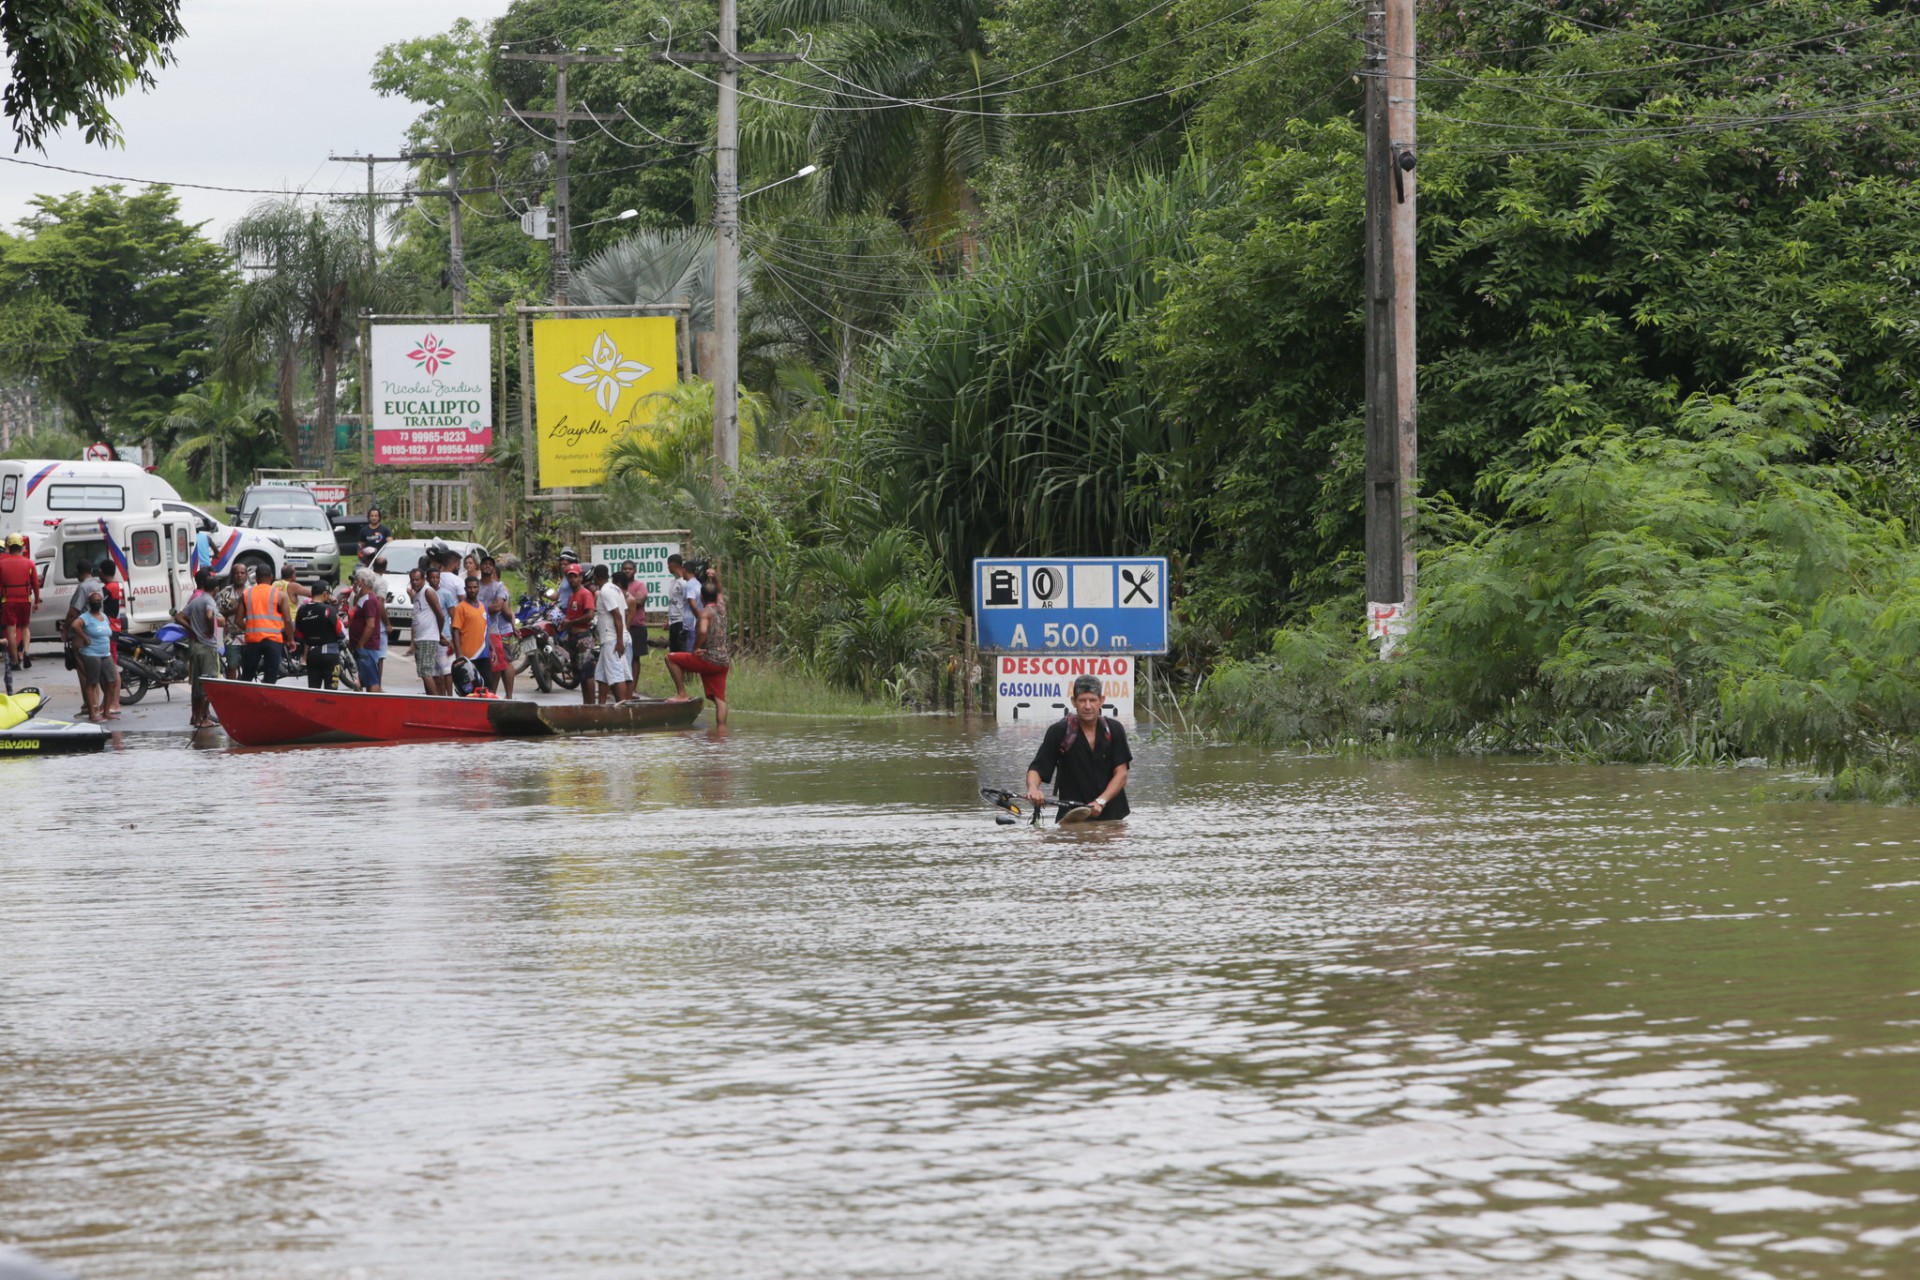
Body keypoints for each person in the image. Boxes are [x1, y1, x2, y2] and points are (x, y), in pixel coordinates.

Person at [1024, 674, 1132, 822]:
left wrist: (1100, 801)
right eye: (1082, 700)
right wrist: (1033, 789)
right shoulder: (1059, 732)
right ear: (1073, 701)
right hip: (1071, 818)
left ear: (1102, 701)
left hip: (1112, 818)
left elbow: (1121, 774)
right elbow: (1037, 769)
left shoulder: (1114, 730)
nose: (1087, 706)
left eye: (1093, 700)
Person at [667, 576, 731, 725]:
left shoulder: (705, 613)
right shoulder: (722, 608)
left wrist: (696, 647)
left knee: (670, 658)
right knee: (720, 700)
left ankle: (681, 694)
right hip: (723, 661)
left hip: (708, 659)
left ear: (701, 597)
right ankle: (721, 731)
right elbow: (721, 592)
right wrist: (715, 578)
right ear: (715, 596)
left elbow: (702, 631)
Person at [175, 568, 222, 728]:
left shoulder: (195, 600)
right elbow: (209, 615)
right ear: (215, 589)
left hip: (195, 647)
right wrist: (209, 630)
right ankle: (203, 718)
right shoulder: (209, 600)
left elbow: (178, 616)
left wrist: (191, 629)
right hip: (207, 647)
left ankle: (197, 718)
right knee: (208, 683)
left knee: (197, 685)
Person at [239, 562, 294, 684]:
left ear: (256, 578)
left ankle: (245, 701)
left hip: (253, 641)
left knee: (247, 678)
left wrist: (249, 629)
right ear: (272, 577)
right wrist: (290, 639)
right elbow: (288, 620)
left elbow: (238, 620)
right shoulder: (280, 595)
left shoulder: (246, 594)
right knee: (270, 679)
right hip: (273, 641)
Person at [70, 585, 118, 721]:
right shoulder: (85, 617)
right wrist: (85, 638)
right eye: (94, 600)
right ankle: (92, 713)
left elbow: (108, 631)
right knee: (92, 683)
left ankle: (106, 712)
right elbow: (74, 625)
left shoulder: (104, 616)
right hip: (92, 654)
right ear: (90, 603)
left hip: (105, 653)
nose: (97, 602)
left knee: (112, 682)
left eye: (99, 600)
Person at [591, 563, 632, 703]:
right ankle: (601, 706)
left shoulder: (606, 591)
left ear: (595, 577)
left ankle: (625, 710)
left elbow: (617, 616)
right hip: (610, 638)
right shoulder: (617, 589)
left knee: (616, 675)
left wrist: (619, 641)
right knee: (602, 675)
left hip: (612, 639)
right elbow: (624, 611)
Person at [407, 565, 451, 695]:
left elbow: (440, 615)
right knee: (426, 672)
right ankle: (430, 698)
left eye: (417, 579)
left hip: (428, 638)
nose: (415, 582)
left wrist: (438, 633)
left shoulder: (428, 592)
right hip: (421, 638)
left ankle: (435, 700)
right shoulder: (417, 594)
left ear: (424, 579)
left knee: (426, 672)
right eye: (412, 580)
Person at [0, 532, 39, 670]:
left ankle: (15, 661)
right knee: (25, 627)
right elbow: (35, 583)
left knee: (11, 630)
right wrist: (37, 602)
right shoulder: (29, 563)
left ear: (9, 547)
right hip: (25, 599)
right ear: (22, 547)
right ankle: (26, 651)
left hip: (8, 600)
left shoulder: (2, 564)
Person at [294, 581, 343, 689]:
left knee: (313, 691)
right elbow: (339, 630)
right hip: (330, 654)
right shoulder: (328, 609)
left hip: (312, 655)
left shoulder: (301, 610)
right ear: (325, 594)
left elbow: (299, 635)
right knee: (331, 692)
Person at [477, 557, 515, 697]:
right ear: (479, 566)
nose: (487, 566)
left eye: (490, 564)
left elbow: (498, 608)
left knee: (498, 664)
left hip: (494, 630)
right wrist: (488, 608)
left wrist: (478, 609)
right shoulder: (475, 584)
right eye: (484, 563)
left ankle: (497, 694)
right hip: (476, 630)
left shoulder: (499, 587)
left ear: (493, 568)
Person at [561, 562, 597, 704]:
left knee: (587, 673)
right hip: (573, 638)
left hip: (583, 637)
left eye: (575, 576)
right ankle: (586, 704)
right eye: (570, 577)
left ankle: (591, 704)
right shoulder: (572, 596)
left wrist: (571, 622)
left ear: (581, 577)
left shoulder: (585, 594)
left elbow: (589, 615)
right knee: (580, 674)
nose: (572, 580)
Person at [450, 574, 491, 696]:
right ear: (465, 589)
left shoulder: (484, 607)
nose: (472, 590)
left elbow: (486, 629)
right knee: (470, 691)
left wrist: (492, 649)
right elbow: (455, 631)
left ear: (478, 588)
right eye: (469, 588)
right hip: (468, 658)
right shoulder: (460, 608)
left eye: (475, 587)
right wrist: (459, 655)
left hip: (484, 655)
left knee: (487, 687)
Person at [348, 568, 387, 692]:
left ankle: (375, 705)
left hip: (367, 647)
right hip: (362, 647)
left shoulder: (369, 600)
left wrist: (361, 644)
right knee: (366, 679)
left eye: (356, 582)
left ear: (362, 582)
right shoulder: (361, 598)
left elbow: (370, 625)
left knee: (372, 681)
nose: (354, 584)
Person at [217, 563, 252, 679]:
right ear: (232, 575)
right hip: (231, 636)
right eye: (237, 573)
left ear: (246, 575)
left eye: (242, 573)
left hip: (249, 635)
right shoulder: (224, 593)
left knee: (249, 666)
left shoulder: (252, 591)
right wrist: (234, 610)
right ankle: (231, 690)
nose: (239, 575)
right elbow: (217, 613)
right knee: (232, 665)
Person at [664, 553, 696, 659]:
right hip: (673, 622)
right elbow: (674, 602)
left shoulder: (684, 583)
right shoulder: (673, 582)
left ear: (672, 565)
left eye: (668, 565)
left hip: (682, 622)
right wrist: (668, 619)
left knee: (684, 653)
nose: (668, 568)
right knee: (674, 653)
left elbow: (690, 602)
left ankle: (688, 675)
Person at [621, 560, 649, 668]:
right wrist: (632, 599)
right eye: (625, 569)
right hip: (620, 626)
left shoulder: (640, 585)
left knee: (635, 658)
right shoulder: (617, 586)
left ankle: (632, 685)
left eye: (630, 569)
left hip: (636, 626)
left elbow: (640, 601)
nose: (627, 571)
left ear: (635, 571)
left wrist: (622, 600)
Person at [98, 560, 125, 630]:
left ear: (101, 572)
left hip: (110, 626)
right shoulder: (116, 585)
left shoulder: (109, 588)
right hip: (116, 625)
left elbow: (96, 600)